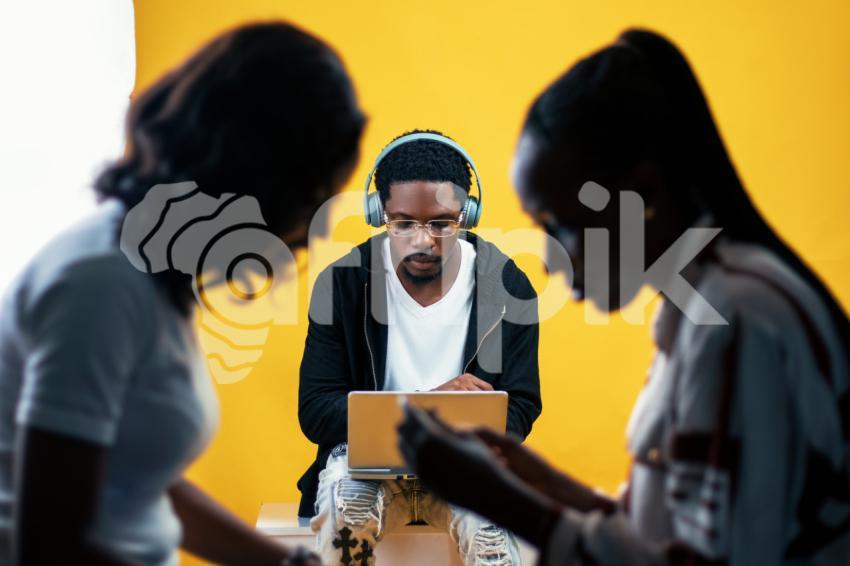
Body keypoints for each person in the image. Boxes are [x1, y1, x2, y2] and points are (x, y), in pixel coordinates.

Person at [398, 29, 850, 565]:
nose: (548, 259)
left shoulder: (734, 318)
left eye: (561, 224)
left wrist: (507, 504)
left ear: (645, 194)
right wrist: (545, 485)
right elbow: (669, 533)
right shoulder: (701, 309)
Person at [0, 22, 365, 565]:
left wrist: (286, 562)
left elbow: (138, 481)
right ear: (258, 176)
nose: (312, 225)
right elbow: (49, 546)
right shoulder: (102, 283)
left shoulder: (154, 273)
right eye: (313, 194)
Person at [298, 130, 542, 565]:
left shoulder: (507, 286)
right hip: (364, 468)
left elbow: (522, 407)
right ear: (379, 214)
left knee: (493, 536)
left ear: (467, 215)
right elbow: (316, 411)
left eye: (442, 224)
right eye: (404, 223)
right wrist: (431, 403)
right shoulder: (343, 283)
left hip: (463, 468)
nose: (423, 241)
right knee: (344, 513)